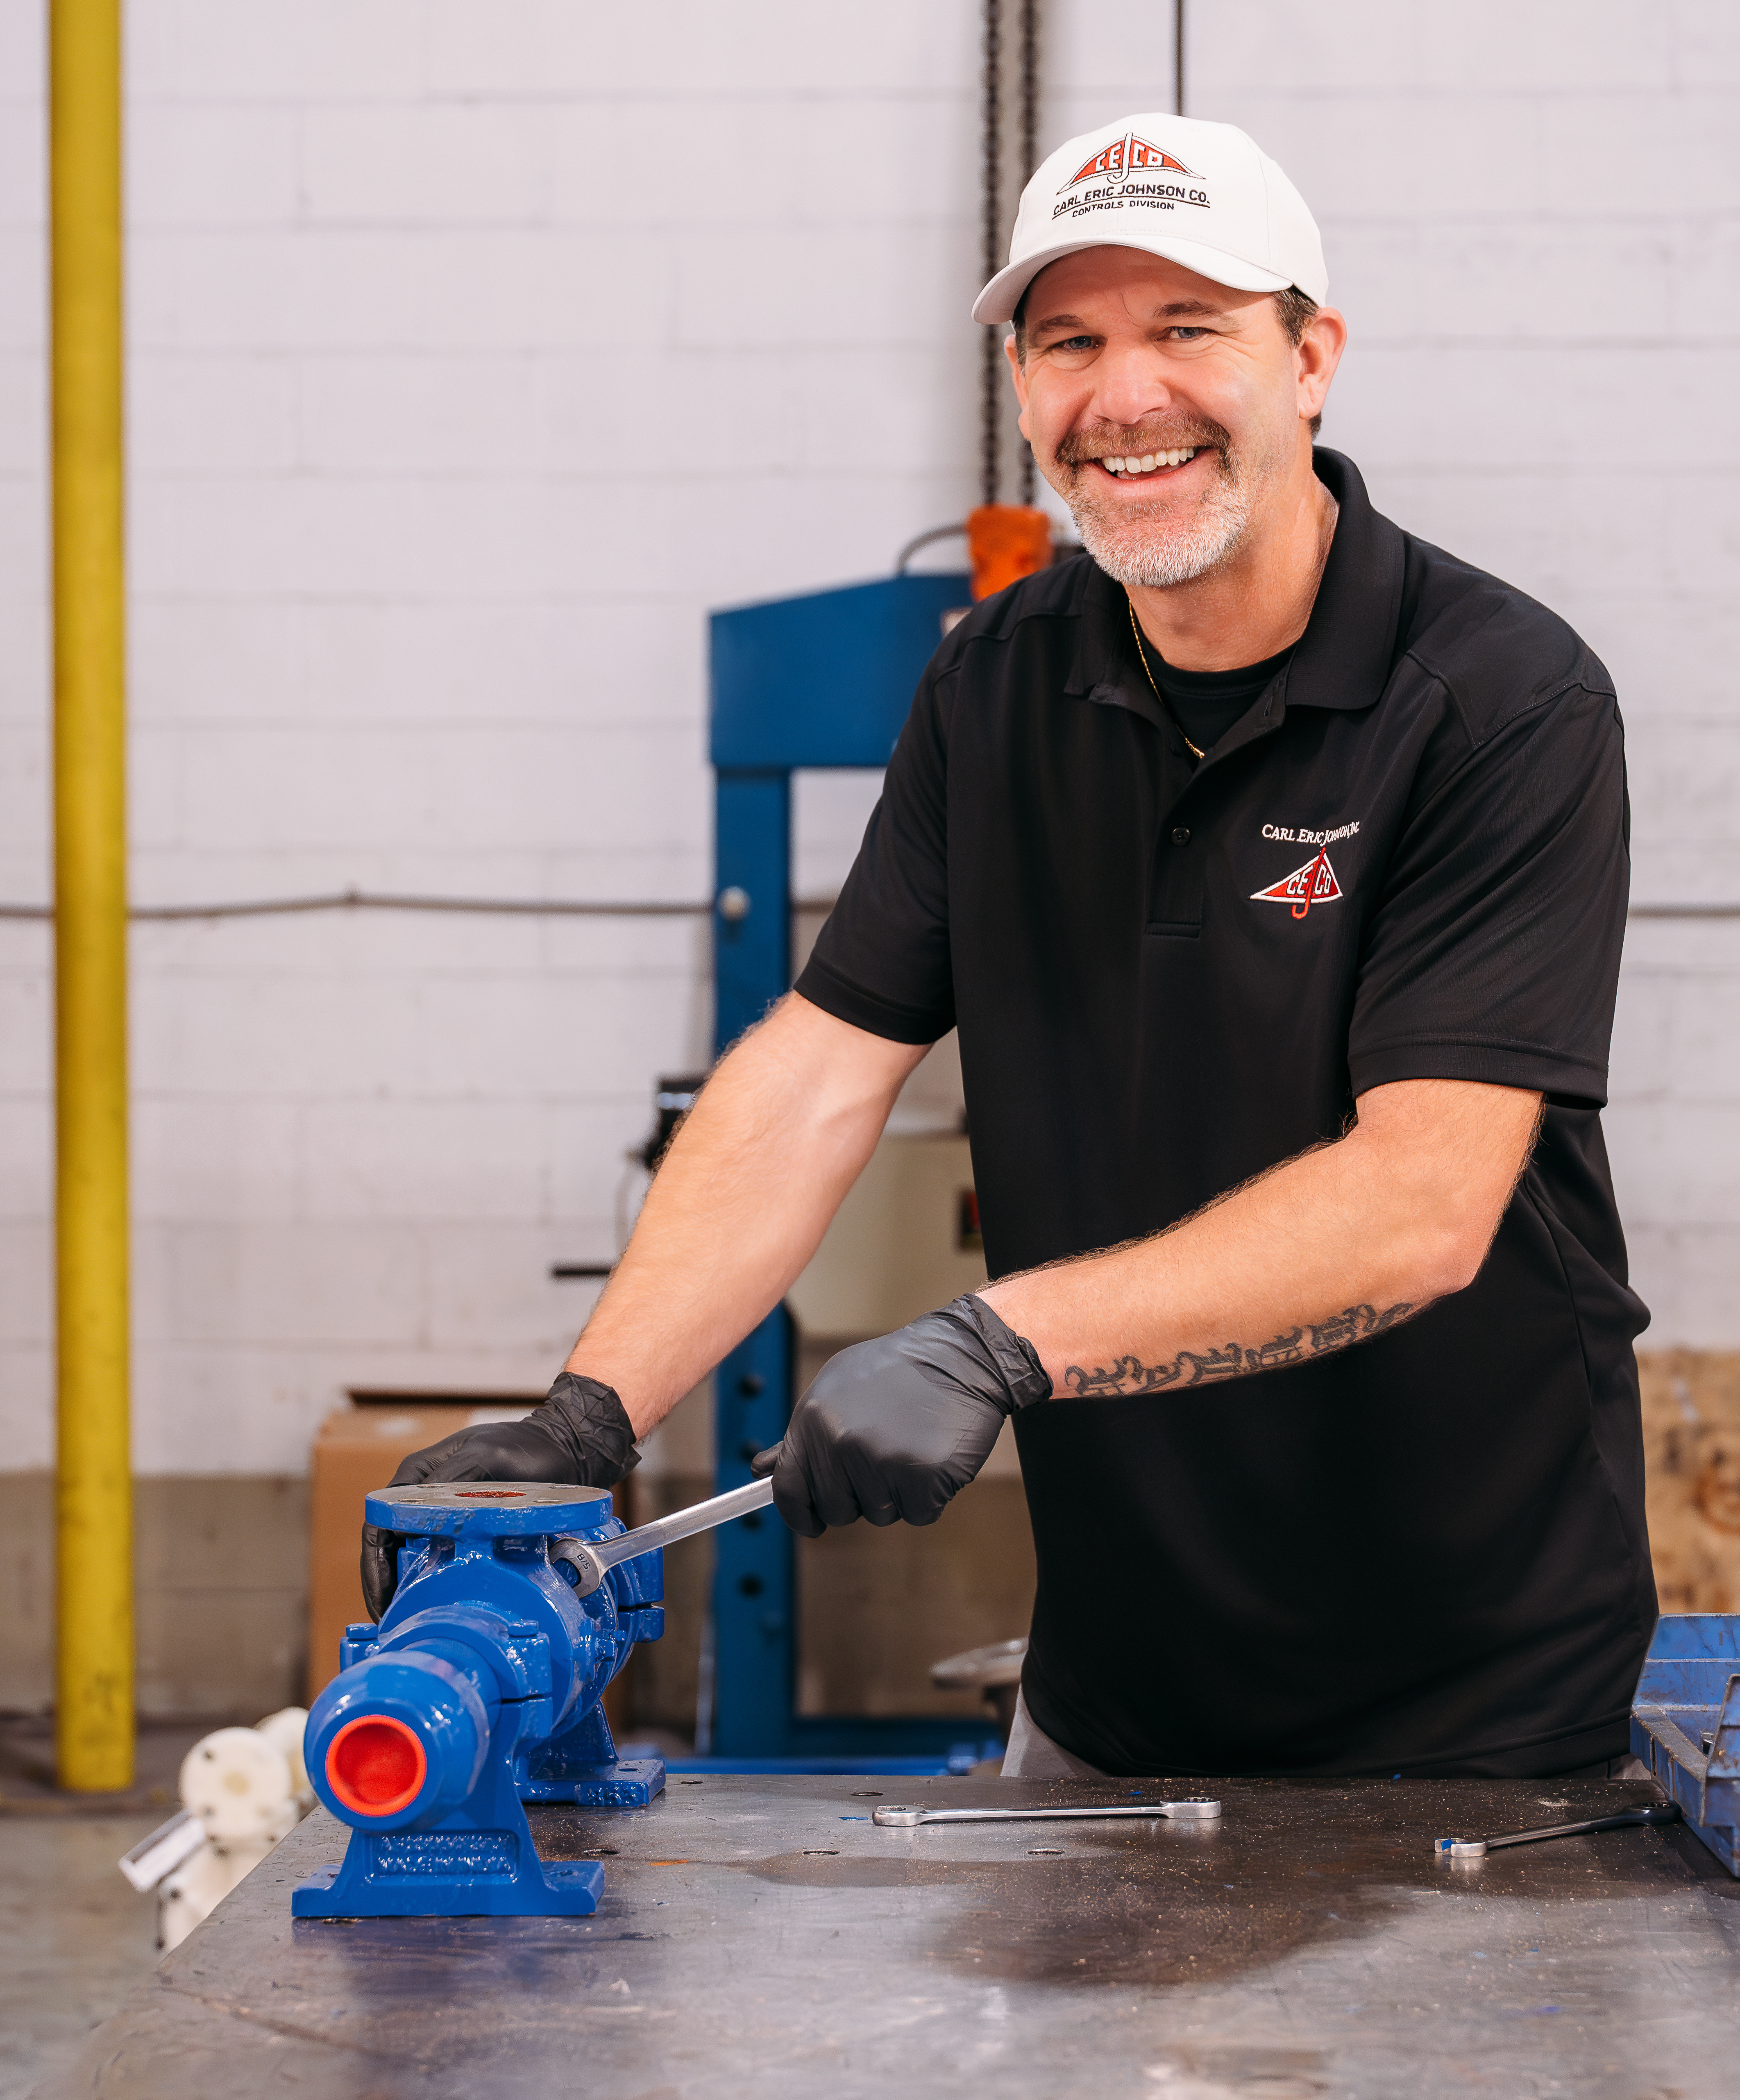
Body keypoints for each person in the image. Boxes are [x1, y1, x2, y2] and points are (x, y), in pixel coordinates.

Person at [380, 112, 1654, 1779]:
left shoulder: (1497, 701)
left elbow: (1419, 1203)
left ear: (1311, 359)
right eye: (1068, 343)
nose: (1123, 397)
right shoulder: (995, 687)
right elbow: (817, 1075)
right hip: (1114, 1682)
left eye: (1186, 329)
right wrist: (588, 1416)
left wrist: (1004, 1338)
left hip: (1468, 1704)